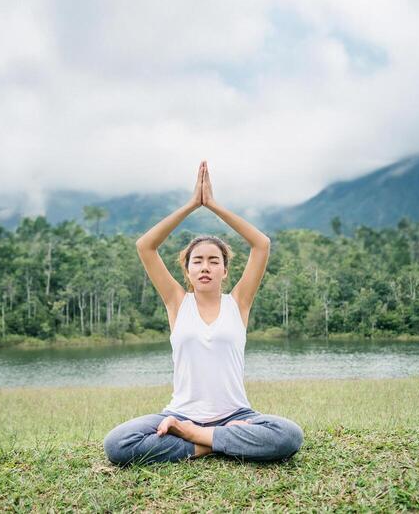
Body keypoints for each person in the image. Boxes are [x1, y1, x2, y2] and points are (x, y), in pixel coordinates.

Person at [102, 161, 304, 465]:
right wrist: (191, 205)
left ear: (225, 270)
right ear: (187, 270)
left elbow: (261, 244)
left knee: (289, 435)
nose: (205, 267)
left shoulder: (239, 303)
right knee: (117, 444)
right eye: (197, 261)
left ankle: (199, 439)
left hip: (236, 414)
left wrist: (213, 204)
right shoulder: (176, 303)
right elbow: (145, 246)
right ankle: (216, 443)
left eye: (213, 260)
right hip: (180, 414)